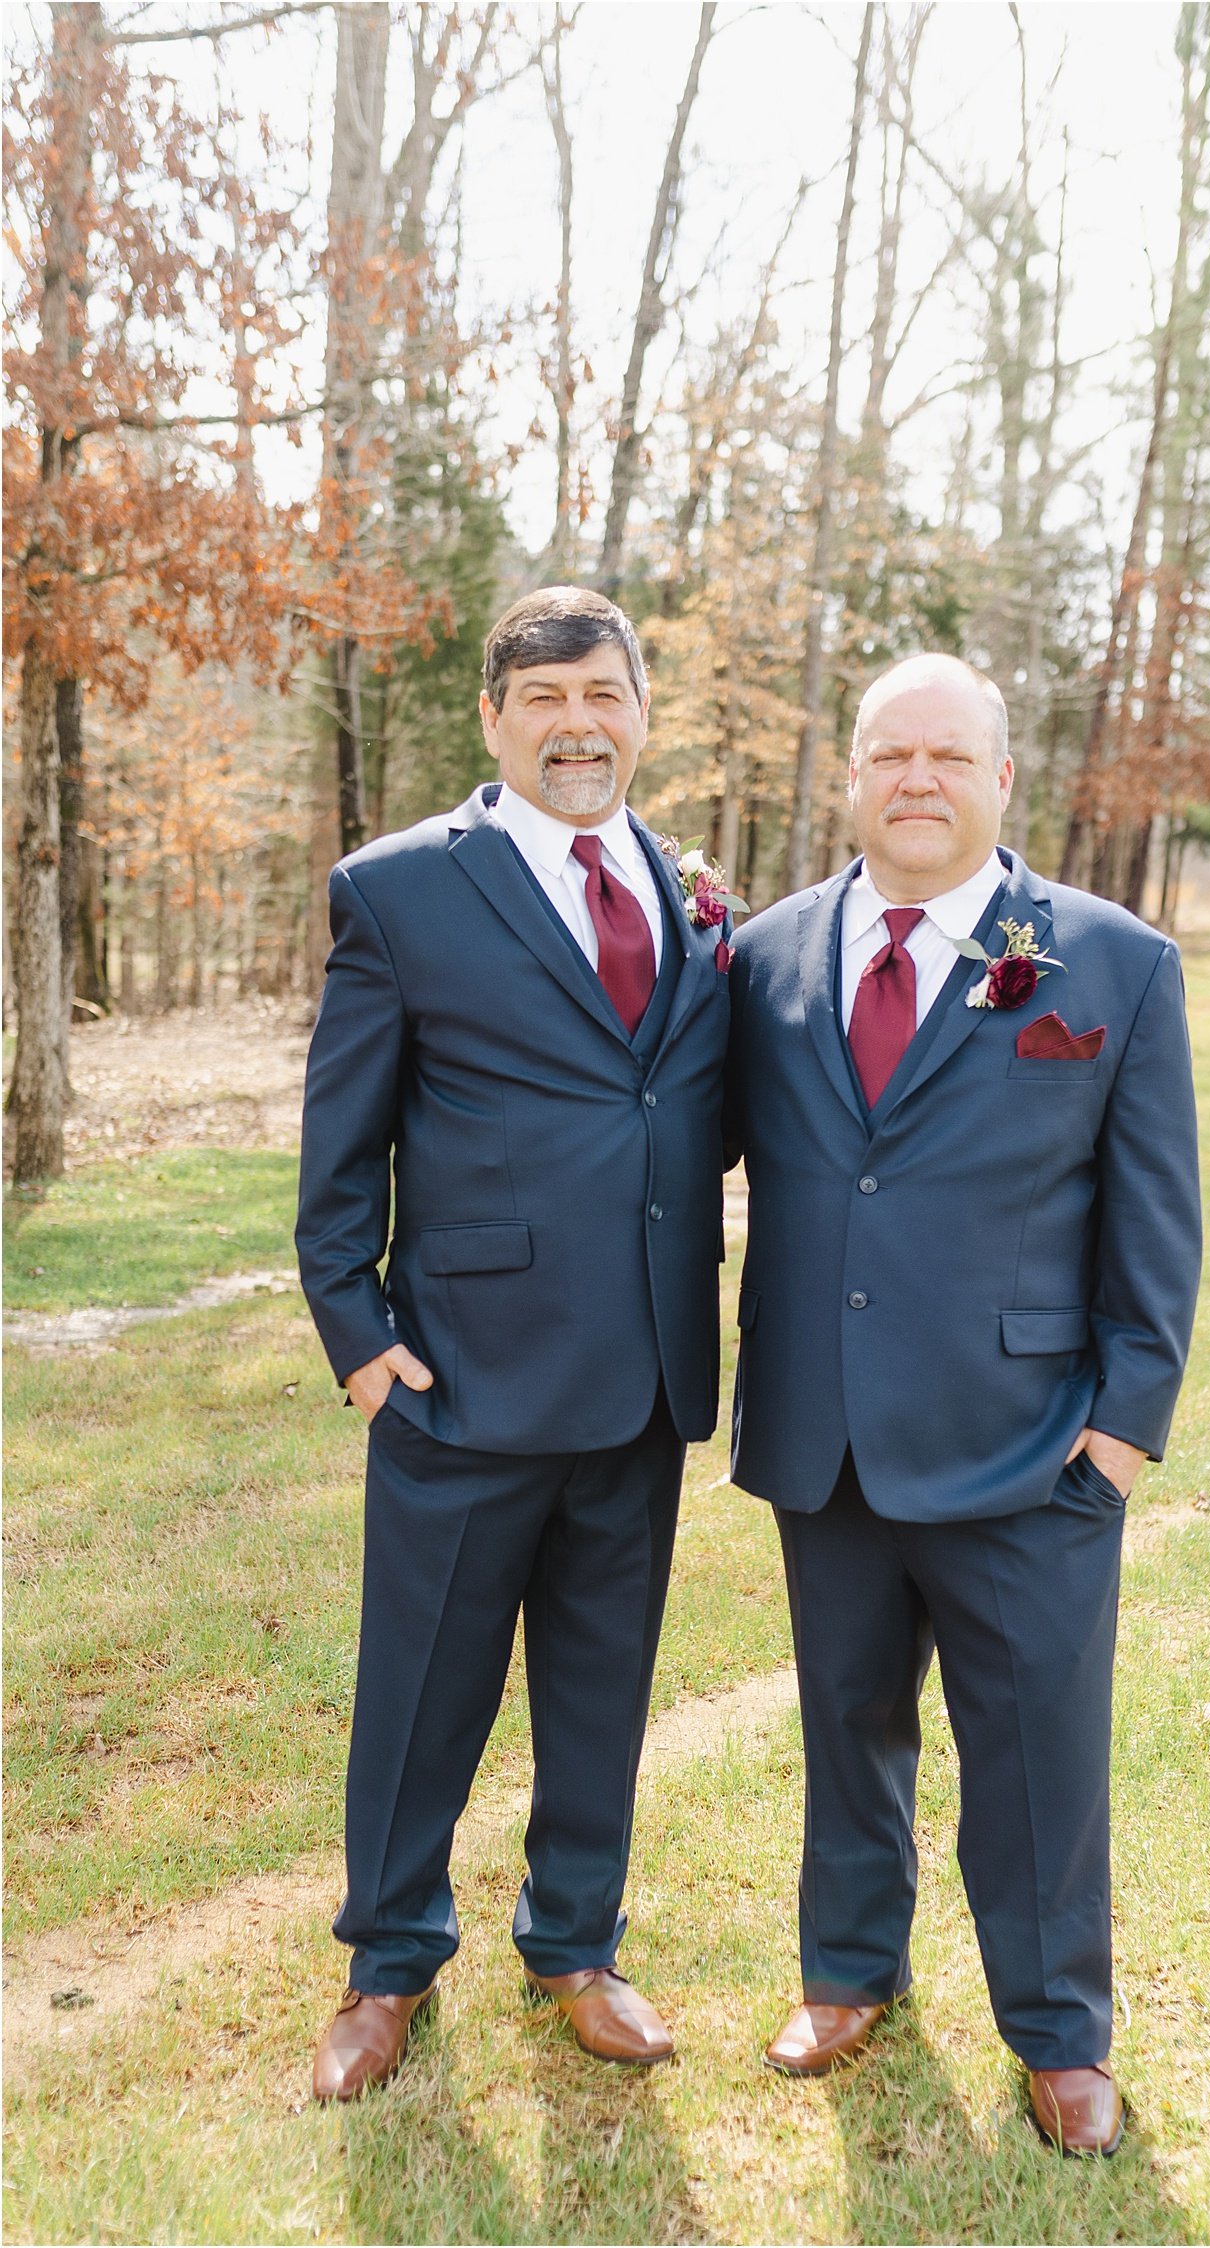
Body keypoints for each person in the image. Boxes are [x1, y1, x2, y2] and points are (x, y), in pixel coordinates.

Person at [725, 653, 1200, 2154]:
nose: (916, 779)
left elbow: (1156, 1218)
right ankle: (848, 1974)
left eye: (948, 756)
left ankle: (1060, 2031)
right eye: (888, 755)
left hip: (1030, 1444)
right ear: (851, 779)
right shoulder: (766, 960)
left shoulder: (1109, 965)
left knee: (1036, 1751)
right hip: (829, 1432)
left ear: (1003, 782)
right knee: (847, 1720)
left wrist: (1121, 1430)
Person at [296, 587, 731, 2101]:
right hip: (462, 1379)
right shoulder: (400, 890)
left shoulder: (683, 893)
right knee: (423, 1689)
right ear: (493, 719)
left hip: (643, 1378)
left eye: (603, 695)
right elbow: (341, 1148)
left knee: (603, 1687)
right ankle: (388, 1963)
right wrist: (359, 1338)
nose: (577, 726)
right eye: (544, 700)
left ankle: (578, 1944)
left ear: (641, 713)